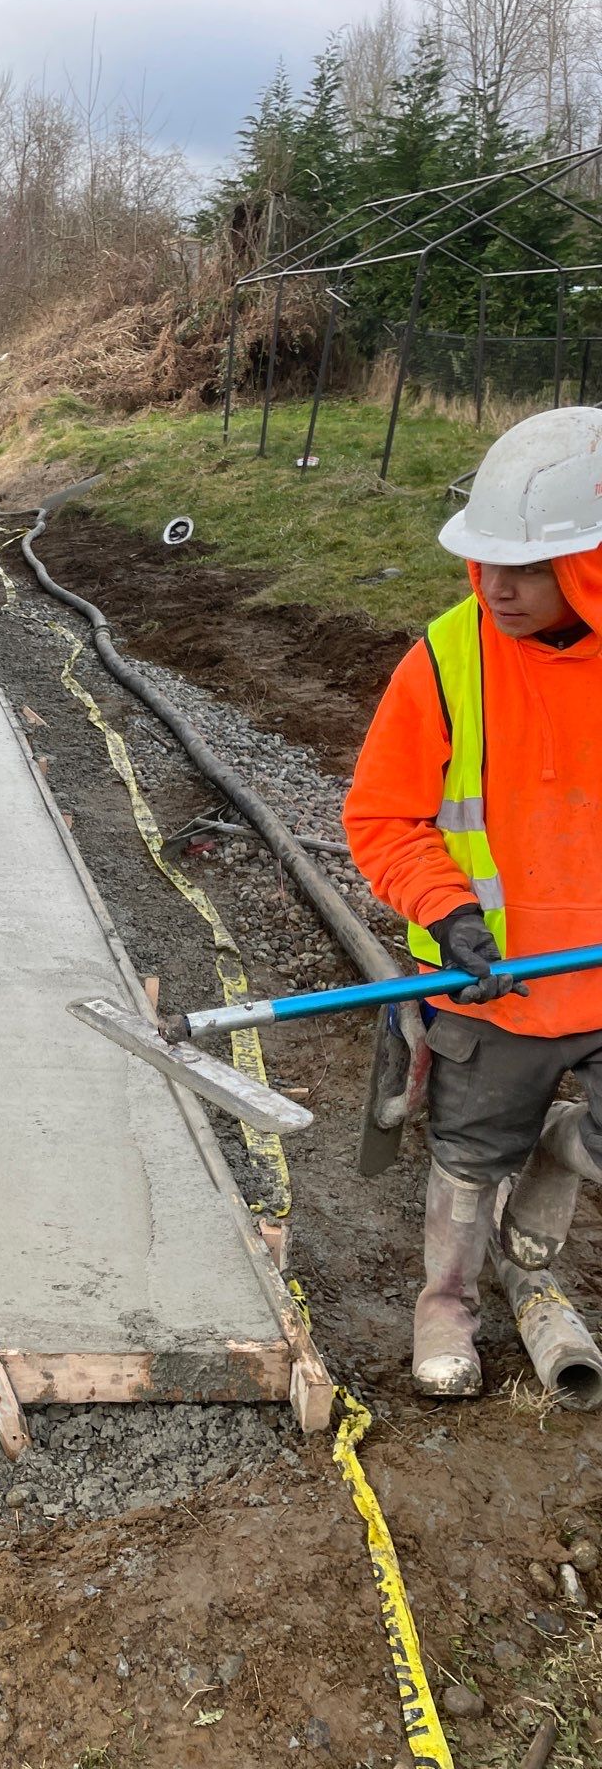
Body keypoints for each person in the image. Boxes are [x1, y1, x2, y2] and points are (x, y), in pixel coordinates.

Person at [343, 406, 602, 1398]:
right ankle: (446, 1301)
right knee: (466, 1154)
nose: (499, 587)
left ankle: (558, 1158)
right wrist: (450, 916)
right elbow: (381, 817)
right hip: (497, 991)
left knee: (559, 1149)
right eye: (487, 560)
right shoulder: (449, 660)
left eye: (530, 568)